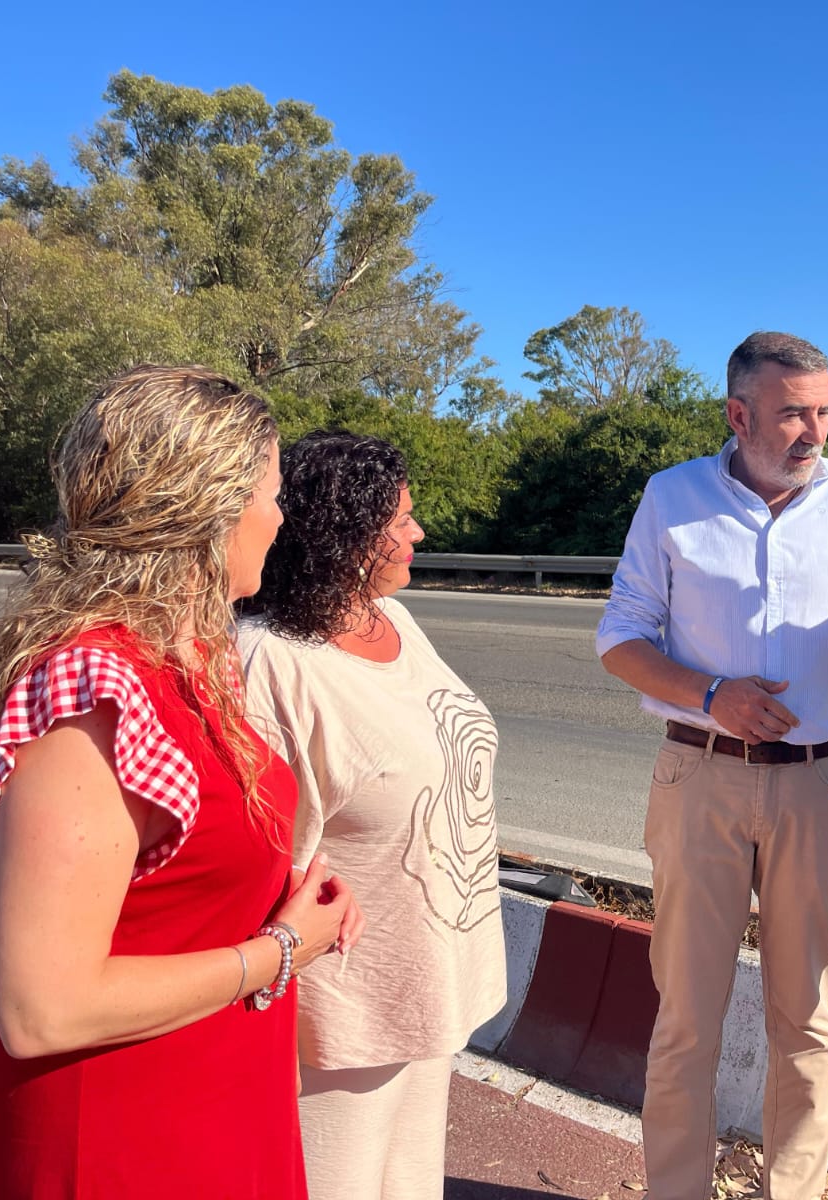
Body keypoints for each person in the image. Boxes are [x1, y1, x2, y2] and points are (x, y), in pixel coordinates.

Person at [0, 365, 358, 1200]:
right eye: (272, 494)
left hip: (212, 1086)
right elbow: (41, 1010)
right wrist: (281, 950)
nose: (281, 518)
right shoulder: (96, 689)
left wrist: (263, 895)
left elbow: (166, 873)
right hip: (118, 1128)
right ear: (209, 511)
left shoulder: (185, 659)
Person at [597, 331, 828, 1199]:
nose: (813, 431)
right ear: (739, 416)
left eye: (823, 412)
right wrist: (712, 695)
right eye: (792, 414)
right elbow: (621, 638)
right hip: (700, 775)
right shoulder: (673, 497)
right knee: (687, 1017)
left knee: (806, 1016)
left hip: (819, 782)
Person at [236, 430, 507, 1200]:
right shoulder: (270, 661)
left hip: (426, 978)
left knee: (410, 1185)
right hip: (342, 1010)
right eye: (400, 520)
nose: (418, 532)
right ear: (343, 535)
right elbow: (261, 857)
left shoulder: (391, 618)